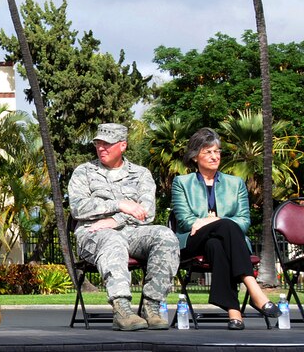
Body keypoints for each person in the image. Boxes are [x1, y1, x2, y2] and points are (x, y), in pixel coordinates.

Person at [69, 123, 180, 331]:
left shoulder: (141, 175)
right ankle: (122, 309)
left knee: (165, 235)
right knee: (112, 239)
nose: (101, 148)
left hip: (133, 232)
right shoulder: (84, 172)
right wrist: (119, 204)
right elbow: (78, 208)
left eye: (107, 144)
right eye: (98, 143)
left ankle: (152, 306)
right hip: (94, 233)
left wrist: (116, 220)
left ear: (122, 146)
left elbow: (147, 213)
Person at [171, 128, 279, 329]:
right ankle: (254, 290)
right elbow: (186, 222)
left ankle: (234, 314)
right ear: (195, 157)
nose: (215, 156)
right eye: (208, 152)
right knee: (226, 226)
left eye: (217, 151)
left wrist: (214, 220)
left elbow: (244, 221)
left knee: (218, 243)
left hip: (224, 242)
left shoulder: (235, 183)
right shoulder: (182, 183)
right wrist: (217, 222)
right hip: (193, 241)